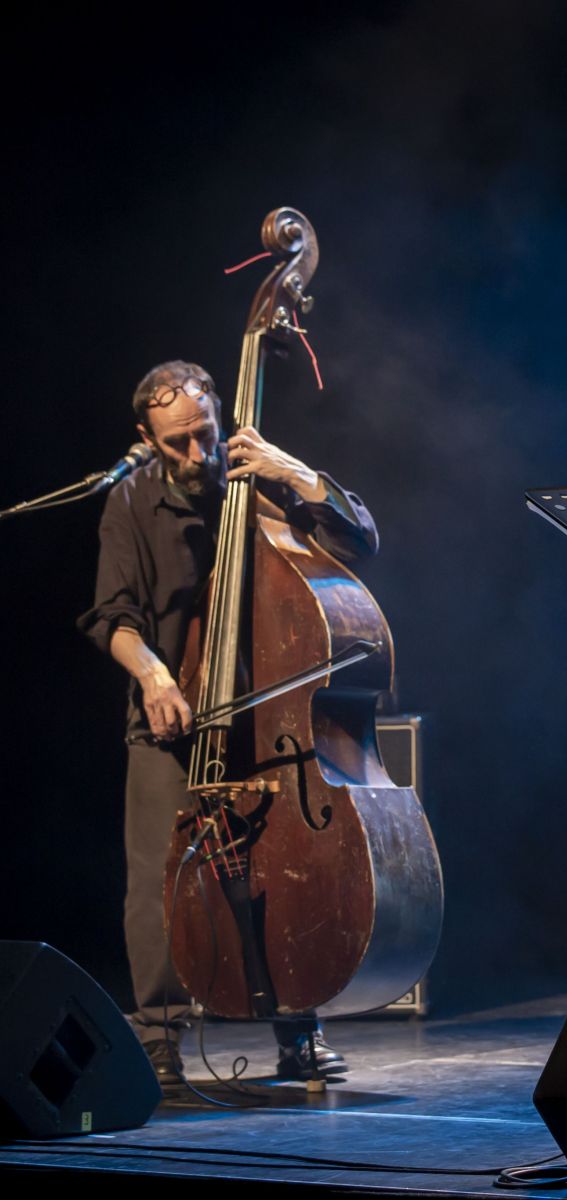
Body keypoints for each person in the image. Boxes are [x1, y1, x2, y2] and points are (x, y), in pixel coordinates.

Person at [79, 360, 380, 1085]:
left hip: (267, 714)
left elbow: (360, 539)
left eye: (204, 436)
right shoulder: (127, 502)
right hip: (173, 715)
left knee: (281, 870)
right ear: (146, 439)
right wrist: (152, 675)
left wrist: (293, 471)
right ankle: (158, 1039)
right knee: (159, 876)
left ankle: (296, 1029)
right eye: (176, 442)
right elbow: (111, 618)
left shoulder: (260, 479)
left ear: (221, 420)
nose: (194, 455)